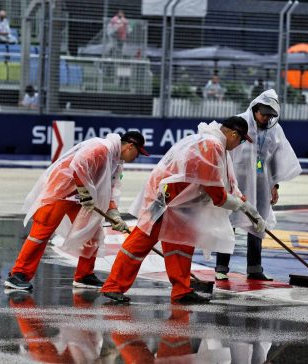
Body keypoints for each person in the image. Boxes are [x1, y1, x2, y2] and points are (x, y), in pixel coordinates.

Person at [101, 116, 266, 304]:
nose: (240, 144)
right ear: (234, 134)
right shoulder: (210, 146)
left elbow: (230, 186)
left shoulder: (216, 146)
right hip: (165, 200)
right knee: (139, 243)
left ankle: (181, 290)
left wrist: (251, 211)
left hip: (181, 204)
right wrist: (243, 207)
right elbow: (218, 195)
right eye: (242, 140)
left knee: (182, 244)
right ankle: (113, 286)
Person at [4, 131, 149, 291]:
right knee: (41, 233)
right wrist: (84, 191)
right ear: (130, 146)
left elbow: (110, 189)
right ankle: (18, 274)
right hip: (61, 191)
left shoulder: (115, 163)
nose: (137, 157)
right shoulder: (100, 148)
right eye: (138, 153)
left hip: (81, 197)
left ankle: (84, 275)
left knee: (93, 232)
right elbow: (77, 165)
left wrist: (114, 213)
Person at [215, 89, 302, 281]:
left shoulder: (275, 131)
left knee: (258, 223)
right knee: (229, 223)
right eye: (263, 114)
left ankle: (254, 268)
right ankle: (221, 267)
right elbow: (222, 151)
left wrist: (274, 185)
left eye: (269, 115)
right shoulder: (238, 124)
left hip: (261, 183)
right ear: (255, 109)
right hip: (236, 181)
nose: (265, 118)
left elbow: (276, 158)